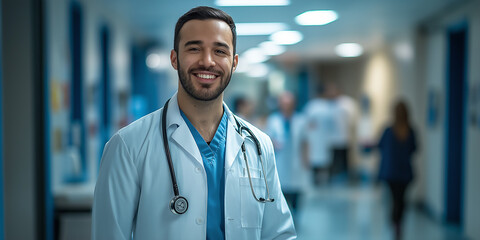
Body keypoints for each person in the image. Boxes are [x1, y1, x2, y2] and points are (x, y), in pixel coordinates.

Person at [92, 6, 296, 240]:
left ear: (234, 62)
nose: (207, 61)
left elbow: (279, 234)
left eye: (220, 51)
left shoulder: (259, 145)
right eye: (194, 48)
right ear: (174, 58)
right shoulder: (128, 146)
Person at [377, 100, 417, 240]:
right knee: (401, 199)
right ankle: (398, 222)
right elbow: (414, 149)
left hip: (391, 172)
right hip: (405, 172)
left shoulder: (388, 131)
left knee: (394, 199)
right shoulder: (410, 131)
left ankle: (394, 221)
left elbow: (380, 146)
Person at [265, 92, 308, 214]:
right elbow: (268, 139)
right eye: (284, 103)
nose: (286, 106)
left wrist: (306, 159)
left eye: (289, 103)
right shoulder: (274, 120)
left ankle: (295, 212)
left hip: (296, 160)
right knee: (281, 188)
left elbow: (305, 141)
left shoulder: (301, 120)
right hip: (279, 160)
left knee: (297, 188)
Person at [303, 85, 335, 186]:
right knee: (321, 159)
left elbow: (306, 122)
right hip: (322, 138)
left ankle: (316, 180)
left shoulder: (311, 106)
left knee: (317, 158)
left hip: (316, 137)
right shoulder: (328, 107)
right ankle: (322, 179)